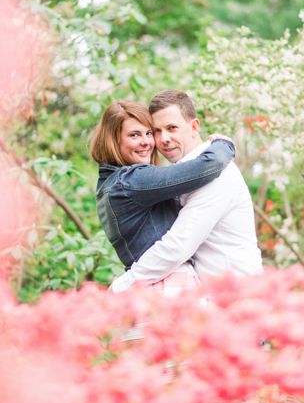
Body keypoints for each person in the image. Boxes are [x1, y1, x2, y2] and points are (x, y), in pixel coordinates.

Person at [110, 90, 263, 293]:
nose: (164, 138)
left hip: (239, 298)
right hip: (213, 302)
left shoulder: (216, 175)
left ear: (194, 127)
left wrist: (122, 285)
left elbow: (178, 245)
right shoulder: (182, 175)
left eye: (172, 128)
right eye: (156, 131)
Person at [90, 100, 236, 293]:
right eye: (134, 135)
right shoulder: (130, 181)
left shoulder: (112, 183)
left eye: (149, 133)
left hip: (153, 284)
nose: (147, 142)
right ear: (114, 140)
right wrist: (223, 144)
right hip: (165, 285)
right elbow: (210, 164)